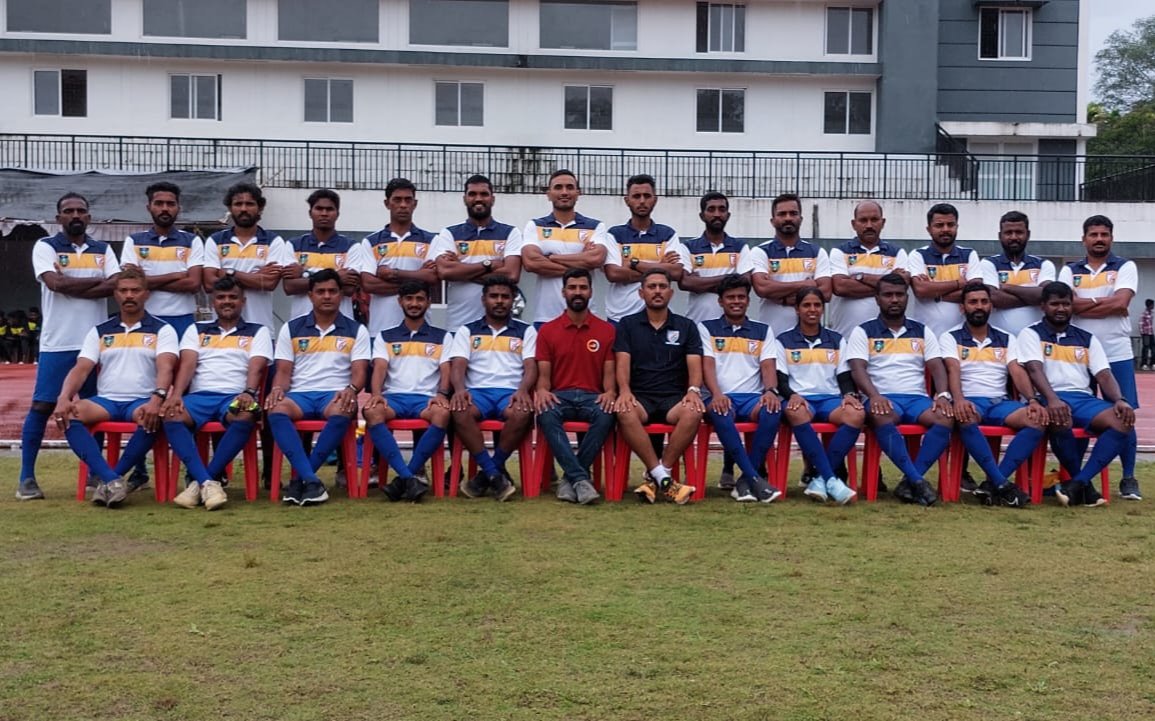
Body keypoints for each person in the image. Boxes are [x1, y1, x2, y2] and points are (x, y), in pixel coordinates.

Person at [17, 193, 120, 501]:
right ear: (58, 217)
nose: (75, 215)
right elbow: (54, 284)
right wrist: (93, 284)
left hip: (96, 343)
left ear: (89, 217)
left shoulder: (103, 250)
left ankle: (94, 475)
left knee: (95, 408)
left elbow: (114, 284)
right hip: (58, 342)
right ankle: (26, 478)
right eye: (68, 211)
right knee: (42, 406)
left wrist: (69, 283)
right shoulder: (45, 246)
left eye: (81, 210)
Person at [52, 268, 178, 507]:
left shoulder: (163, 329)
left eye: (135, 290)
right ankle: (111, 479)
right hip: (106, 401)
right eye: (123, 291)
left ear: (146, 294)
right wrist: (63, 396)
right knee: (68, 414)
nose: (129, 295)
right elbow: (81, 368)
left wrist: (157, 397)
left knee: (153, 417)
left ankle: (110, 479)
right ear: (115, 294)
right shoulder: (100, 330)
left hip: (141, 401)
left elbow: (166, 368)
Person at [1017, 281, 1136, 508]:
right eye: (1055, 304)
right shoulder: (1030, 333)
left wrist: (1120, 400)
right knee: (1062, 418)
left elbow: (1104, 375)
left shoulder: (1087, 337)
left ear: (1072, 306)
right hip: (1049, 397)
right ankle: (1086, 487)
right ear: (1043, 306)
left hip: (1083, 399)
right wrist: (1052, 399)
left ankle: (1078, 483)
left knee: (1123, 420)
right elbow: (1034, 369)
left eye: (1066, 304)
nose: (1061, 309)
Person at [161, 277, 272, 510]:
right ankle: (208, 482)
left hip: (234, 396)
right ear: (213, 302)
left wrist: (249, 392)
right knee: (171, 414)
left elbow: (256, 367)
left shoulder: (258, 331)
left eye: (233, 297)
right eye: (221, 298)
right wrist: (177, 394)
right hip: (199, 397)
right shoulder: (196, 329)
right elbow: (188, 365)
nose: (227, 302)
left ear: (243, 301)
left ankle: (199, 483)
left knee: (245, 415)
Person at [265, 269, 371, 506]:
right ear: (310, 295)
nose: (327, 296)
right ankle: (312, 481)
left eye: (332, 291)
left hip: (335, 394)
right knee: (275, 409)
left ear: (340, 295)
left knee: (342, 409)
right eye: (321, 291)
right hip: (299, 395)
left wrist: (352, 390)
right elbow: (283, 372)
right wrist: (277, 390)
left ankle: (302, 480)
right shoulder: (291, 328)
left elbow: (360, 373)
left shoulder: (357, 330)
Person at [846, 273, 954, 506]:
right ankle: (917, 480)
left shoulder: (922, 330)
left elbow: (937, 366)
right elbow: (857, 369)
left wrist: (943, 395)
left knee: (945, 416)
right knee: (881, 413)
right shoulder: (863, 331)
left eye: (899, 295)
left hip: (917, 399)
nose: (894, 300)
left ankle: (909, 481)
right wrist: (874, 396)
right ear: (877, 299)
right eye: (888, 295)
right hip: (882, 397)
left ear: (907, 298)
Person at [1057, 215, 1141, 501]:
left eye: (1104, 234)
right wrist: (1105, 303)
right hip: (1079, 354)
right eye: (1093, 234)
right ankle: (1074, 478)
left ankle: (1128, 479)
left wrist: (1085, 305)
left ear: (1111, 238)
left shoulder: (1125, 266)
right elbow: (1067, 307)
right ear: (1084, 239)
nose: (1099, 239)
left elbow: (1122, 303)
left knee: (1123, 413)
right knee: (1079, 419)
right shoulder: (1070, 270)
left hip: (1116, 353)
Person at [940, 282, 1040, 508]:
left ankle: (994, 482)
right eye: (973, 302)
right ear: (962, 308)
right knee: (964, 417)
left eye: (984, 302)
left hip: (999, 403)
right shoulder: (950, 337)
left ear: (991, 306)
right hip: (969, 401)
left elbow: (1016, 370)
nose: (979, 306)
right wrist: (959, 399)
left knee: (1036, 419)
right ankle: (1003, 485)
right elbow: (953, 369)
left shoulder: (1006, 338)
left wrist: (1032, 400)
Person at [614, 269, 705, 505]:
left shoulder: (686, 326)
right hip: (640, 397)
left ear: (671, 293)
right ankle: (665, 479)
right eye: (652, 287)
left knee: (694, 411)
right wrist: (624, 391)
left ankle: (657, 474)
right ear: (641, 292)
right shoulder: (627, 324)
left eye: (662, 287)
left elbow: (695, 365)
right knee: (623, 410)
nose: (657, 291)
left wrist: (694, 390)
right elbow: (622, 363)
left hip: (673, 398)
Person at [361, 280, 453, 502]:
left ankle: (403, 477)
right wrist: (376, 395)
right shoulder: (385, 335)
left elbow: (446, 370)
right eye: (409, 299)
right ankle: (409, 477)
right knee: (372, 412)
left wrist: (441, 394)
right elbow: (380, 369)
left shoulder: (443, 336)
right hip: (394, 399)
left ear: (429, 303)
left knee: (443, 413)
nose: (414, 304)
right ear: (400, 301)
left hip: (426, 400)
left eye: (420, 299)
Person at [450, 275, 538, 501]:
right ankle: (494, 474)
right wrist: (459, 389)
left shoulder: (526, 331)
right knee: (459, 410)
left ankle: (485, 474)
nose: (499, 301)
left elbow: (530, 367)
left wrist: (523, 390)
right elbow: (458, 366)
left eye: (505, 297)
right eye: (494, 296)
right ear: (483, 300)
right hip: (477, 393)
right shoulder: (466, 331)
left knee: (523, 412)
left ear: (513, 300)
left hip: (510, 393)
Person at [534, 268, 617, 505]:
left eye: (583, 287)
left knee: (606, 414)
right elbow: (544, 376)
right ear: (563, 292)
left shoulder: (607, 330)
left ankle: (571, 478)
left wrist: (610, 392)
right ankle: (581, 479)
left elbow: (609, 373)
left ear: (591, 292)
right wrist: (541, 390)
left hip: (593, 396)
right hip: (561, 396)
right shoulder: (548, 330)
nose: (577, 292)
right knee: (546, 413)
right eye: (572, 288)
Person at [697, 275, 783, 503]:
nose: (736, 301)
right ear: (720, 301)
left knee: (773, 409)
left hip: (752, 398)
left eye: (741, 297)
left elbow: (768, 366)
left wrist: (771, 391)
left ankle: (745, 480)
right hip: (720, 396)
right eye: (730, 297)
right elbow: (707, 365)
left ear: (748, 300)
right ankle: (755, 479)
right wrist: (716, 394)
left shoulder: (763, 330)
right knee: (721, 410)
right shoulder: (706, 328)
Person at [776, 287, 863, 505]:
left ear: (823, 309)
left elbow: (844, 376)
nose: (812, 310)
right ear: (797, 309)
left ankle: (819, 478)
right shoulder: (783, 340)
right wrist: (792, 395)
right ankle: (832, 479)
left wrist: (850, 395)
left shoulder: (836, 339)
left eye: (817, 305)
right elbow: (780, 379)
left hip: (829, 400)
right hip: (800, 398)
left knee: (856, 414)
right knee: (797, 412)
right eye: (806, 305)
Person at [430, 174, 524, 331]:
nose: (478, 199)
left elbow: (511, 275)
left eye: (484, 194)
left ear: (492, 199)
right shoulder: (449, 233)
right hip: (457, 326)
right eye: (472, 194)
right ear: (464, 199)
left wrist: (461, 268)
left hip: (499, 328)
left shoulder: (510, 232)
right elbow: (445, 271)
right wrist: (489, 264)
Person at [520, 169, 612, 327]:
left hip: (587, 318)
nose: (564, 192)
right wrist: (581, 263)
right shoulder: (535, 226)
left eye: (569, 187)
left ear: (578, 192)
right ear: (548, 194)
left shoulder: (596, 226)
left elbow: (596, 258)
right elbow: (531, 263)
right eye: (558, 187)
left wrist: (551, 257)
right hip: (546, 318)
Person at [120, 182, 205, 338]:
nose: (165, 208)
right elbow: (133, 284)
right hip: (145, 318)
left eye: (170, 204)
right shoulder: (133, 241)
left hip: (183, 318)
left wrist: (146, 280)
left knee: (180, 363)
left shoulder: (192, 241)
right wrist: (176, 275)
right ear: (149, 207)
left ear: (178, 208)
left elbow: (193, 284)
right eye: (159, 203)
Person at [602, 174, 688, 322]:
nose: (642, 201)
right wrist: (660, 267)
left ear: (655, 200)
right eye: (636, 196)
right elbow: (613, 274)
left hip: (658, 318)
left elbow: (676, 272)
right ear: (627, 200)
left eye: (647, 196)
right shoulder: (615, 234)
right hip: (620, 317)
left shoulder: (667, 234)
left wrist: (634, 264)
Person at [360, 178, 440, 336]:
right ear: (387, 203)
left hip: (420, 331)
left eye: (408, 200)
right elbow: (368, 284)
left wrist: (393, 274)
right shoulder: (371, 242)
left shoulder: (431, 240)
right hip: (380, 330)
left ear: (414, 204)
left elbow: (432, 277)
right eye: (397, 200)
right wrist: (417, 281)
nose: (403, 205)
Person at [203, 182, 287, 330]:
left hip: (261, 328)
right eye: (238, 204)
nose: (243, 209)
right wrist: (255, 277)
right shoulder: (215, 240)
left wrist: (229, 273)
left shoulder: (274, 241)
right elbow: (210, 284)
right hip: (222, 331)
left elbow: (268, 284)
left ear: (260, 208)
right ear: (230, 208)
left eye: (249, 204)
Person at [743, 193, 832, 334]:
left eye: (793, 213)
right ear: (772, 220)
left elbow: (826, 293)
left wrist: (782, 297)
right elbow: (762, 289)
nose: (788, 218)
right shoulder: (760, 252)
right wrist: (805, 285)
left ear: (801, 219)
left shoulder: (817, 252)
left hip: (809, 338)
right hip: (771, 335)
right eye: (782, 214)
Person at [281, 189, 367, 320]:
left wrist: (305, 274)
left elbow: (349, 289)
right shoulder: (293, 245)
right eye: (319, 209)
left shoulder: (352, 247)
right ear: (310, 213)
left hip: (342, 328)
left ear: (337, 214)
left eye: (329, 209)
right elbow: (289, 287)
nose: (324, 213)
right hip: (301, 326)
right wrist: (337, 277)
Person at [828, 200, 909, 338]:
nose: (869, 225)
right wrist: (887, 286)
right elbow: (841, 287)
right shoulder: (839, 252)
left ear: (883, 222)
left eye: (874, 220)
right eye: (863, 220)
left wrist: (861, 277)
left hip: (885, 341)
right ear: (854, 224)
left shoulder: (897, 253)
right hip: (846, 337)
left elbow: (902, 284)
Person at [907, 203, 981, 337]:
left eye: (950, 225)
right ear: (929, 229)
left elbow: (975, 294)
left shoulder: (969, 254)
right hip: (926, 336)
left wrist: (935, 293)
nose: (945, 229)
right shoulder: (917, 255)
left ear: (957, 227)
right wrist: (958, 284)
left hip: (962, 338)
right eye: (939, 225)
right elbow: (920, 290)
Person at [979, 210, 1055, 334]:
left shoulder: (1044, 265)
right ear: (1000, 236)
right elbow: (993, 297)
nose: (1014, 237)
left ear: (1028, 234)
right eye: (1008, 233)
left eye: (1019, 232)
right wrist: (1032, 298)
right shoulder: (988, 264)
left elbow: (1045, 295)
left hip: (1036, 340)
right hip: (1000, 343)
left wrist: (1007, 288)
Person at [679, 192, 751, 322]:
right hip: (696, 323)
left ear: (728, 215)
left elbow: (745, 283)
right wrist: (729, 279)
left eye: (722, 209)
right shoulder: (688, 247)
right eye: (711, 209)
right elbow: (685, 282)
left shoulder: (740, 247)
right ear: (702, 216)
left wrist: (700, 284)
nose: (717, 214)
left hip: (730, 326)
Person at [1141, 299, 1154, 371]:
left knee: (1153, 349)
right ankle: (1144, 364)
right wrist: (1143, 333)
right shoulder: (1144, 313)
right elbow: (1141, 324)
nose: (1153, 306)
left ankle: (1153, 363)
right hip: (1146, 333)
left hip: (1151, 333)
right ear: (1149, 305)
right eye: (1152, 305)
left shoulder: (1152, 313)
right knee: (1146, 348)